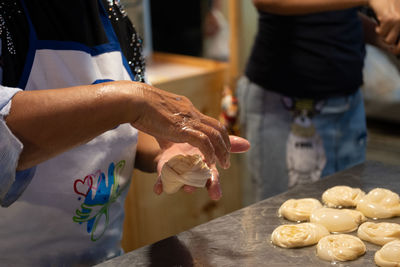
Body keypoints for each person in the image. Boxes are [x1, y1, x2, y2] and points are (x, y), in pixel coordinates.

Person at [0, 1, 249, 266]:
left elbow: (129, 126)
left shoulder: (113, 14)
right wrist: (128, 102)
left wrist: (166, 149)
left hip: (105, 257)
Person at [237, 0, 400, 204]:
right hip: (289, 109)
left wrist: (383, 37)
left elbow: (338, 15)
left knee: (349, 213)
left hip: (348, 104)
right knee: (282, 224)